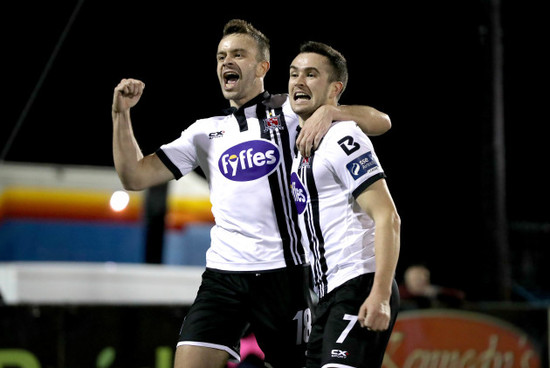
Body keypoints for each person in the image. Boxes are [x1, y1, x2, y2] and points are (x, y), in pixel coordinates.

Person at [112, 19, 391, 368]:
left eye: (238, 54)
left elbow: (381, 121)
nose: (226, 61)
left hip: (287, 275)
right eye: (221, 56)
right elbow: (134, 176)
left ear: (262, 67)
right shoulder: (204, 133)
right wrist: (120, 115)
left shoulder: (294, 111)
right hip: (223, 276)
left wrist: (333, 112)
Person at [289, 41, 400, 368]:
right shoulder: (303, 139)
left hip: (359, 283)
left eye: (311, 74)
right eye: (294, 73)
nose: (298, 81)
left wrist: (379, 296)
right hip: (325, 296)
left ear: (335, 89)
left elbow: (388, 217)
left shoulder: (341, 135)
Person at [399, 264, 465, 309]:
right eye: (415, 279)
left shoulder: (435, 292)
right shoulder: (399, 294)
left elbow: (459, 295)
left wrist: (438, 292)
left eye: (422, 278)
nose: (419, 282)